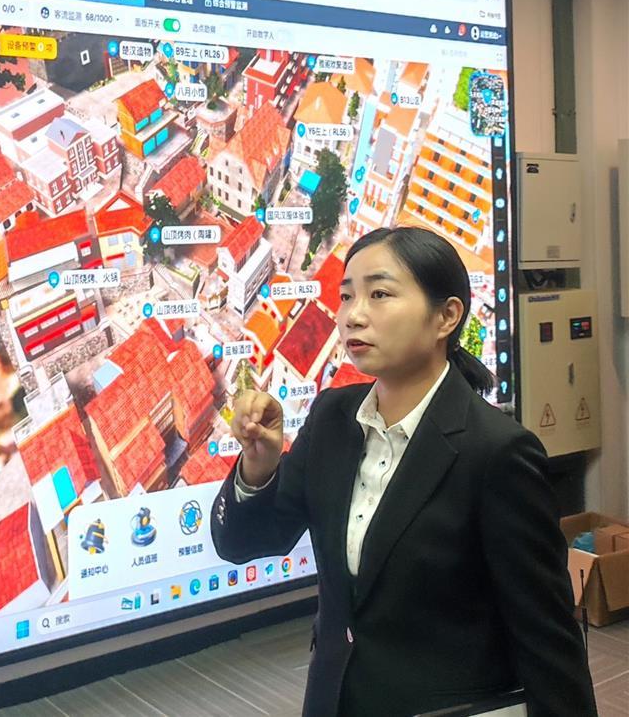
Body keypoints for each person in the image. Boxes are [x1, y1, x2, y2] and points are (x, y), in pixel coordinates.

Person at [211, 226, 595, 717]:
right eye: (346, 296)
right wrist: (258, 467)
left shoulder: (496, 452)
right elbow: (243, 543)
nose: (354, 315)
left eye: (380, 294)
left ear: (446, 316)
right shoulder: (331, 420)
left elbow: (547, 637)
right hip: (335, 698)